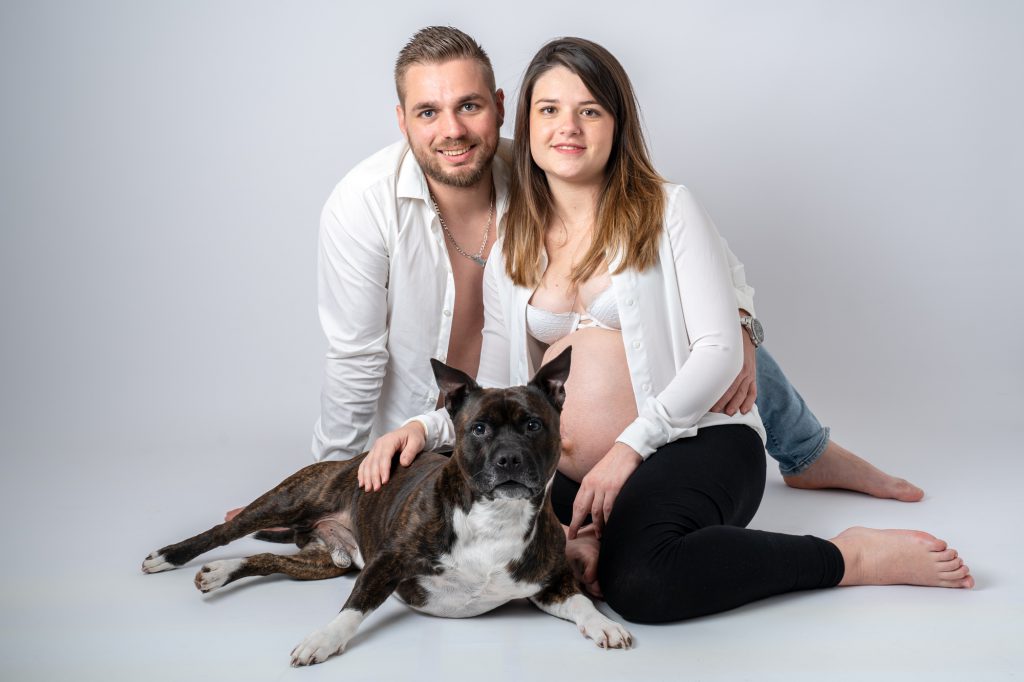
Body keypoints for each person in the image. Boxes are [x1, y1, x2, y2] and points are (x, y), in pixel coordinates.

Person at [364, 36, 971, 620]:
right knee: (467, 541)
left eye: (589, 111)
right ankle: (586, 538)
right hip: (566, 477)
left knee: (644, 585)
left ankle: (848, 556)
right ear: (525, 122)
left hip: (690, 444)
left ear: (617, 122)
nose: (566, 128)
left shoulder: (666, 210)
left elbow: (716, 351)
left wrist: (627, 449)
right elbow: (499, 379)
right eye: (548, 110)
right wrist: (428, 425)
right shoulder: (513, 242)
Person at [313, 26, 920, 503]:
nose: (452, 130)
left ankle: (806, 450)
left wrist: (739, 321)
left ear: (501, 109)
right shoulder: (363, 207)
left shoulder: (539, 166)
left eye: (469, 106)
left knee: (697, 318)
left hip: (573, 409)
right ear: (402, 120)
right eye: (427, 112)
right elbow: (355, 355)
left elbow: (697, 257)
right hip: (461, 423)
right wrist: (319, 487)